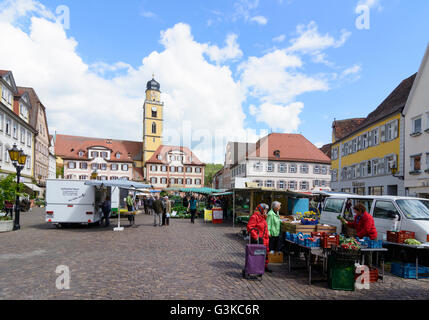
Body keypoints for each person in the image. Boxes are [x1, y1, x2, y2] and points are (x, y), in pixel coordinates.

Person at [247, 203, 271, 273]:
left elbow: (264, 227)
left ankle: (264, 266)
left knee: (265, 253)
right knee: (258, 253)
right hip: (259, 239)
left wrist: (267, 233)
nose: (266, 211)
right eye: (265, 209)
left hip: (265, 238)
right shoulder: (255, 217)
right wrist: (255, 236)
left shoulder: (262, 216)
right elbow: (250, 227)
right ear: (261, 209)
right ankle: (257, 267)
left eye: (267, 210)